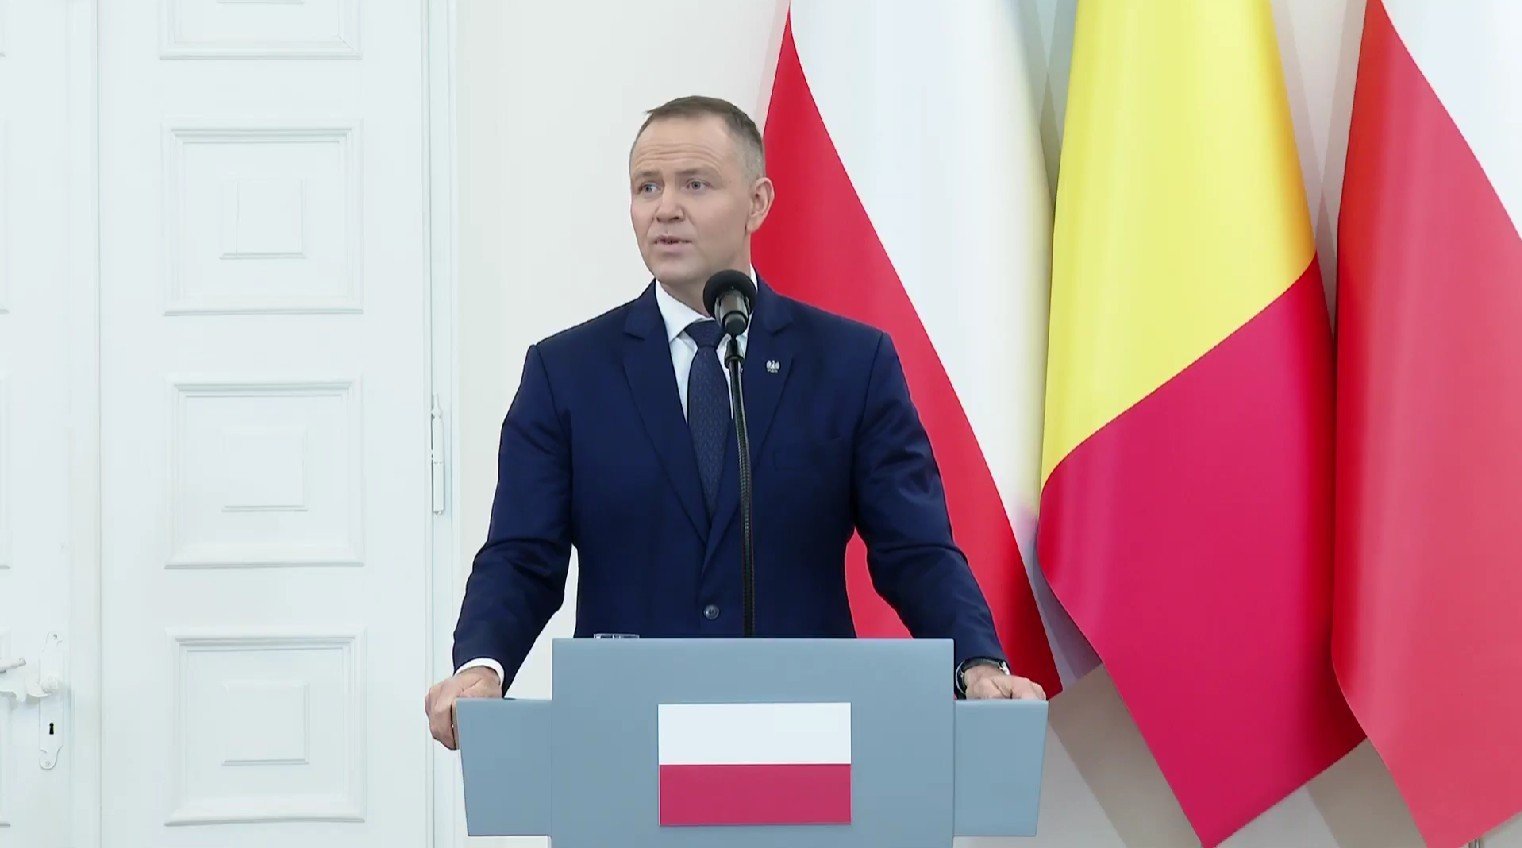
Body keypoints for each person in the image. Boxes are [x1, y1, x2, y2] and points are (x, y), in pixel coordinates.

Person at [426, 95, 1045, 750]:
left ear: (757, 202)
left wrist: (979, 663)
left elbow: (914, 549)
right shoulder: (566, 372)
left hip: (806, 738)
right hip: (627, 741)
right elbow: (522, 556)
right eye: (647, 187)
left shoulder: (849, 364)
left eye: (695, 184)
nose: (665, 208)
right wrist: (482, 666)